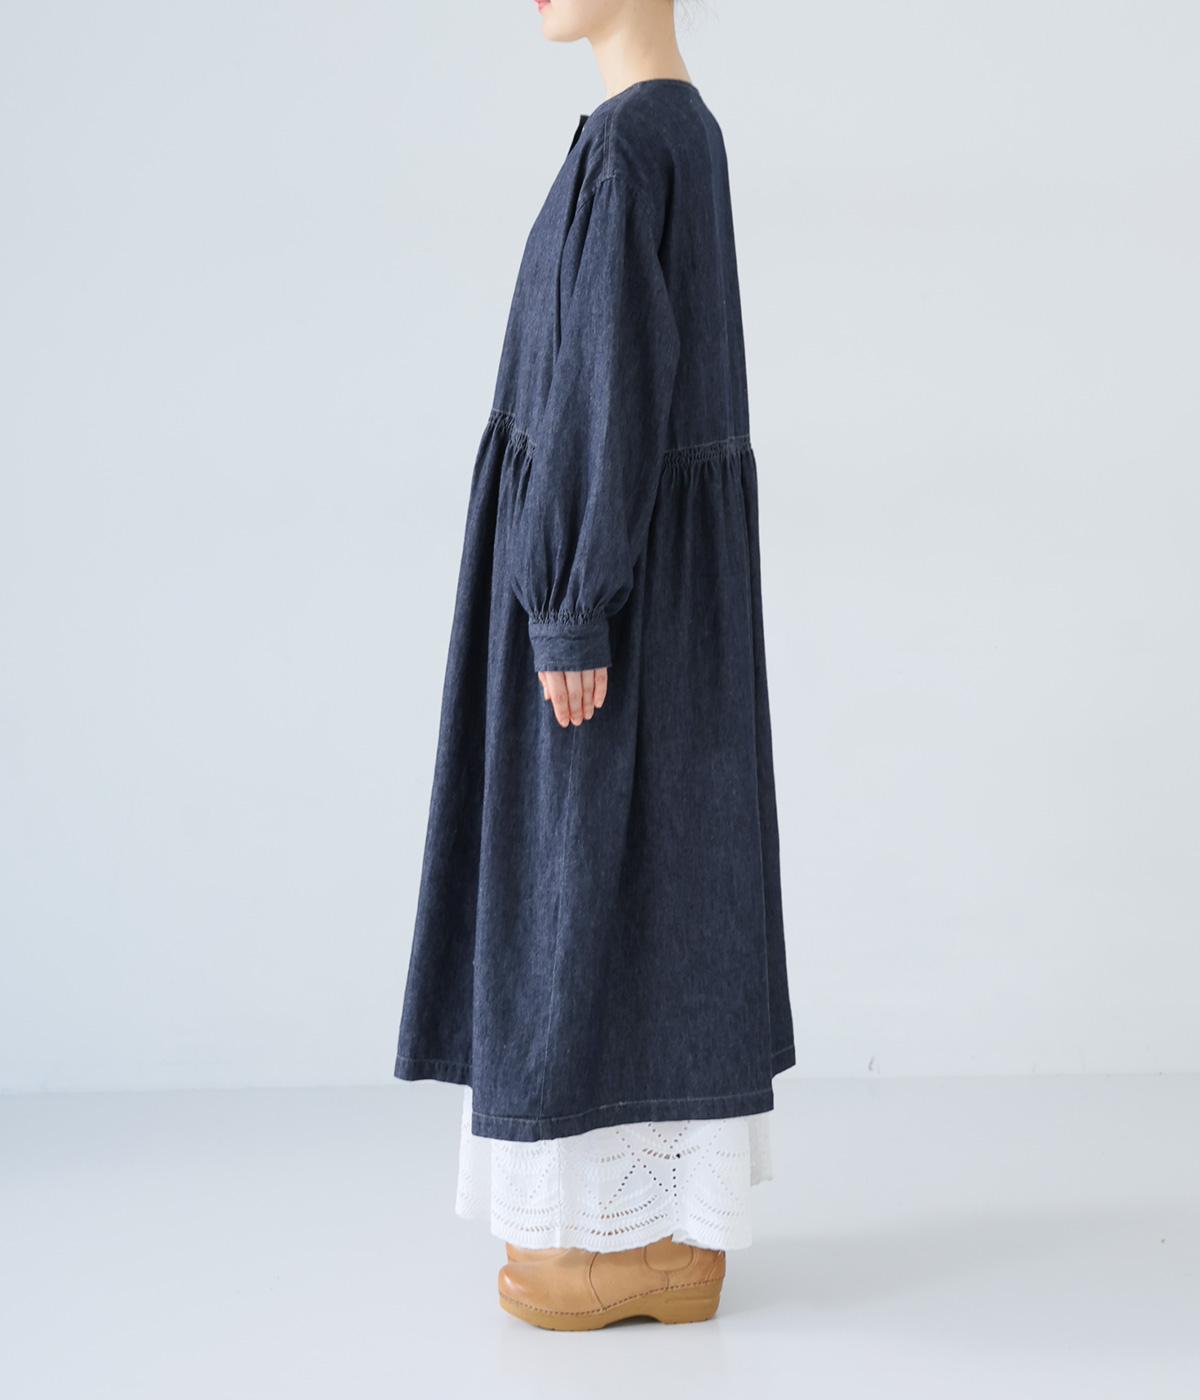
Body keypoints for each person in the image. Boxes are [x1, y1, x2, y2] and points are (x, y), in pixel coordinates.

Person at [394, 0, 794, 1330]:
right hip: (649, 575)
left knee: (581, 886)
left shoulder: (634, 146)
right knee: (649, 879)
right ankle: (652, 1227)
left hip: (613, 581)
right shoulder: (675, 130)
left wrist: (569, 606)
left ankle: (625, 1240)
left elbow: (606, 385)